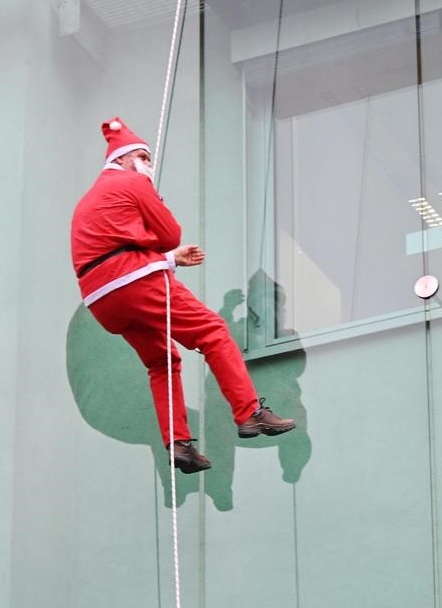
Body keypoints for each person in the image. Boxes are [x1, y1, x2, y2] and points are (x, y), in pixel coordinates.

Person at [69, 117, 294, 474]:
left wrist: (169, 260)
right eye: (142, 156)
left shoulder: (90, 200)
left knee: (162, 362)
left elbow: (115, 245)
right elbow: (170, 232)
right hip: (136, 282)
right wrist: (163, 239)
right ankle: (249, 412)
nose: (147, 163)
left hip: (103, 300)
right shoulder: (131, 182)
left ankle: (179, 444)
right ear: (122, 158)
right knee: (213, 332)